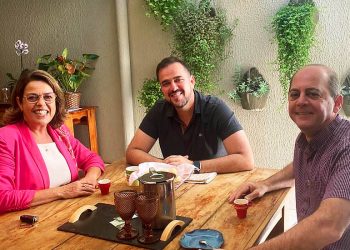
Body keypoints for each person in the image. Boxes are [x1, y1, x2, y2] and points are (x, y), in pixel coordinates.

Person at [228, 64, 350, 249]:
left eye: (313, 93)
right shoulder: (306, 140)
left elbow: (329, 226)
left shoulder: (346, 148)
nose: (301, 101)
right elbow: (301, 167)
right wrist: (265, 184)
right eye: (294, 94)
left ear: (338, 103)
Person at [0, 69, 105, 213]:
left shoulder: (60, 131)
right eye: (32, 98)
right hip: (29, 223)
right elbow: (2, 197)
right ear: (19, 103)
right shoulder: (6, 138)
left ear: (55, 100)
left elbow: (92, 158)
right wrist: (62, 192)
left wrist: (90, 178)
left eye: (48, 97)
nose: (41, 103)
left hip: (71, 212)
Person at [126, 56, 254, 173]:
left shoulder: (215, 109)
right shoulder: (160, 110)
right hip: (176, 188)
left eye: (178, 80)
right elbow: (132, 152)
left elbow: (246, 160)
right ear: (162, 89)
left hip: (216, 187)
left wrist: (193, 165)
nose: (173, 87)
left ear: (192, 81)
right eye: (166, 83)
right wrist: (164, 165)